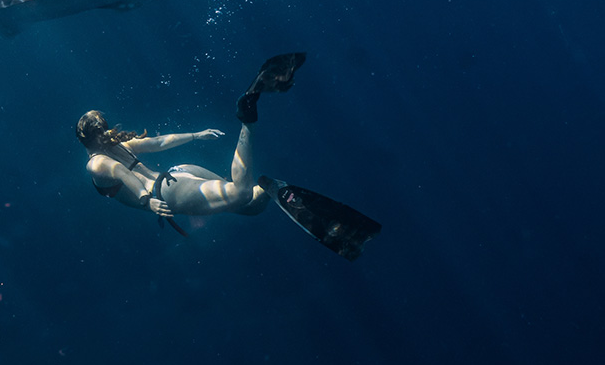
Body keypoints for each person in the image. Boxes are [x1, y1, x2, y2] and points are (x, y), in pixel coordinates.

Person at [76, 53, 382, 260]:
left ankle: (247, 118)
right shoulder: (116, 148)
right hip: (179, 173)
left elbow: (122, 175)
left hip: (168, 192)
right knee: (250, 205)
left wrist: (145, 199)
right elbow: (158, 143)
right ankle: (268, 188)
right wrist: (195, 135)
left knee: (237, 193)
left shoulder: (96, 162)